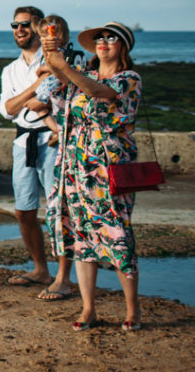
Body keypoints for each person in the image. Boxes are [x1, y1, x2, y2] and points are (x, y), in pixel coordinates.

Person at [42, 22, 143, 331]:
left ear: (123, 47)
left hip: (108, 168)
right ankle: (89, 310)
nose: (104, 42)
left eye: (112, 38)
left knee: (117, 235)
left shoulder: (128, 79)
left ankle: (133, 309)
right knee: (82, 236)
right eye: (99, 37)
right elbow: (57, 103)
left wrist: (66, 69)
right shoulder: (82, 75)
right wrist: (53, 64)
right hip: (75, 165)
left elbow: (97, 91)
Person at [0, 6, 73, 300]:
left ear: (40, 26)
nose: (19, 29)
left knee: (60, 211)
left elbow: (63, 96)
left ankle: (64, 278)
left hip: (54, 141)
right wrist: (36, 87)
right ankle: (41, 269)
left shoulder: (57, 60)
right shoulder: (10, 70)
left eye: (25, 24)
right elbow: (8, 110)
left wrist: (29, 97)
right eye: (14, 24)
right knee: (24, 211)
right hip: (23, 143)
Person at [24, 15, 84, 146]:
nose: (44, 40)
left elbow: (58, 68)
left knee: (39, 109)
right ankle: (58, 131)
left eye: (47, 35)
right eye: (42, 36)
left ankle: (57, 130)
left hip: (51, 89)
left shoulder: (59, 53)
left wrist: (43, 68)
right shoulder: (57, 53)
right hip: (55, 91)